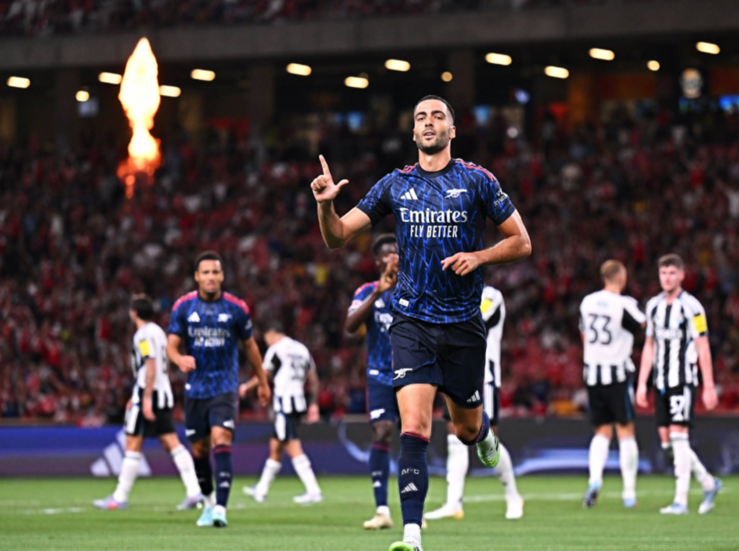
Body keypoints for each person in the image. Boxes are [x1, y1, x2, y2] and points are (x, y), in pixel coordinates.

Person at [310, 95, 531, 551]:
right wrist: (326, 207)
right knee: (415, 427)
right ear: (413, 132)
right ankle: (412, 535)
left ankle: (483, 432)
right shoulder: (394, 184)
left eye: (438, 116)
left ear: (452, 130)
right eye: (421, 118)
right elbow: (337, 237)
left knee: (464, 430)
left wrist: (479, 256)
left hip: (464, 324)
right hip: (411, 322)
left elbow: (521, 242)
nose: (429, 122)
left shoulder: (477, 180)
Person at [166, 251, 271, 528]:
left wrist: (262, 381)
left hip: (225, 386)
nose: (211, 277)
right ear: (197, 277)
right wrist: (179, 359)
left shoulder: (236, 308)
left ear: (222, 276)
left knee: (221, 438)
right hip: (195, 389)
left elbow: (250, 346)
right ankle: (209, 502)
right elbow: (171, 346)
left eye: (215, 272)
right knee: (199, 449)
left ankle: (221, 509)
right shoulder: (183, 307)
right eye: (206, 273)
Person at [94, 294, 203, 511]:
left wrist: (144, 398)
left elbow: (150, 365)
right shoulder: (159, 332)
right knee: (171, 442)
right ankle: (194, 492)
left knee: (133, 443)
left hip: (150, 393)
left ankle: (120, 497)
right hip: (163, 393)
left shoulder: (142, 335)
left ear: (134, 313)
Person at [425, 284, 523, 521]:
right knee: (453, 436)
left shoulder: (490, 295)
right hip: (453, 373)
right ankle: (453, 502)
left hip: (483, 376)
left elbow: (471, 320)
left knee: (488, 438)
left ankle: (512, 495)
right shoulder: (449, 291)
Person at [636, 254, 722, 515]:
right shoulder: (653, 306)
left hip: (682, 380)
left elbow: (702, 346)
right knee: (668, 443)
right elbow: (649, 346)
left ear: (682, 275)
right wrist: (642, 383)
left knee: (678, 436)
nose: (667, 278)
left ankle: (680, 501)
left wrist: (708, 385)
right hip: (661, 382)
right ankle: (708, 483)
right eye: (663, 273)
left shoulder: (693, 307)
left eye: (672, 273)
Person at [577, 261, 645, 509]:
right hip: (617, 373)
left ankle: (594, 481)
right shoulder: (624, 304)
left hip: (593, 373)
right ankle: (629, 493)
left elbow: (584, 334)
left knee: (601, 431)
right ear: (621, 277)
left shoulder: (587, 302)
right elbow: (644, 326)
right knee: (625, 431)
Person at [344, 234, 400, 530]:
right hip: (380, 373)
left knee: (414, 436)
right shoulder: (367, 291)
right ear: (378, 260)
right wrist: (378, 292)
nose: (393, 257)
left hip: (414, 373)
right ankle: (382, 510)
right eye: (387, 253)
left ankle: (413, 508)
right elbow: (351, 325)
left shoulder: (418, 286)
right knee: (382, 431)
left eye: (396, 252)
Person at [241, 325, 322, 504]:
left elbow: (264, 373)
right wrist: (314, 403)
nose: (267, 342)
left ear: (272, 334)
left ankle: (313, 490)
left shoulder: (277, 349)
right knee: (276, 446)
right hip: (298, 401)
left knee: (292, 445)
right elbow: (313, 378)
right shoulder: (302, 349)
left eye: (266, 338)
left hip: (285, 403)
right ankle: (261, 489)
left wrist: (246, 387)